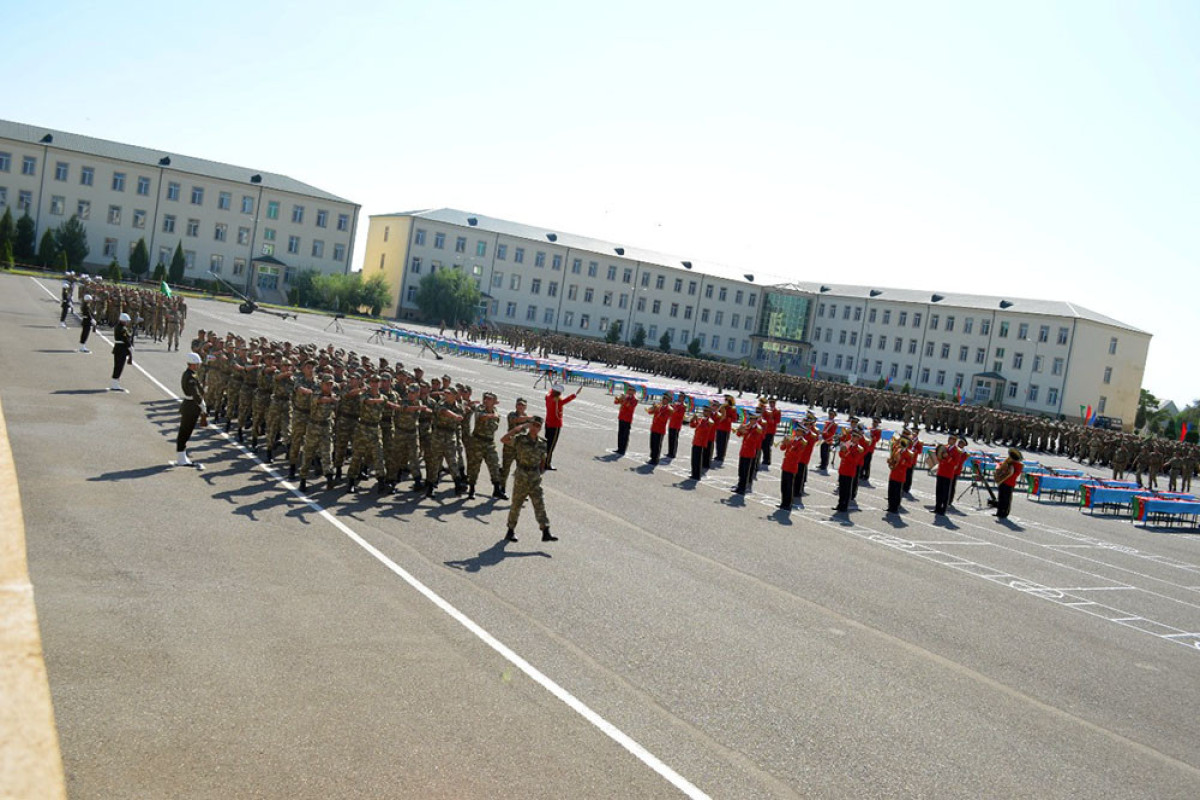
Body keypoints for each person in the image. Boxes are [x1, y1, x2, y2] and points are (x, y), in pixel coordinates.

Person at [501, 415, 556, 543]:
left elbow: (543, 460)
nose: (535, 428)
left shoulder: (543, 443)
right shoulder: (520, 439)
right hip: (522, 476)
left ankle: (545, 531)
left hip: (535, 477)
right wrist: (518, 428)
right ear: (530, 425)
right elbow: (504, 439)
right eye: (533, 425)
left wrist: (539, 473)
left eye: (538, 426)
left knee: (539, 504)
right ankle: (510, 530)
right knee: (516, 505)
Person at [175, 352, 206, 467]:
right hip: (191, 406)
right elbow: (194, 392)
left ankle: (182, 455)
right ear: (193, 364)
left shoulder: (191, 374)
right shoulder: (190, 376)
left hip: (190, 405)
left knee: (186, 431)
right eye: (197, 364)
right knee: (185, 431)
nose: (198, 366)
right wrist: (201, 403)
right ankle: (181, 457)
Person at [543, 382, 579, 470]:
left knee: (546, 444)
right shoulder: (557, 401)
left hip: (547, 423)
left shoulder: (548, 397)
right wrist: (575, 394)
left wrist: (553, 387)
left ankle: (543, 461)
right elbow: (565, 401)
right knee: (551, 445)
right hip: (555, 425)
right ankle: (547, 463)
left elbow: (549, 393)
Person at [833, 429, 864, 513]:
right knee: (841, 489)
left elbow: (854, 460)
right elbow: (840, 455)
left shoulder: (859, 449)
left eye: (855, 437)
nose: (853, 438)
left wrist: (846, 452)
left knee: (847, 490)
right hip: (843, 469)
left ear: (858, 438)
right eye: (853, 436)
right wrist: (842, 450)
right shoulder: (847, 443)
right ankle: (839, 504)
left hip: (849, 471)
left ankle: (844, 506)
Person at [932, 435, 964, 515]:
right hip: (941, 471)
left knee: (946, 492)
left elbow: (955, 463)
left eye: (952, 439)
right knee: (938, 490)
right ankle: (937, 507)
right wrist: (940, 455)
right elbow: (939, 457)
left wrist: (948, 457)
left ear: (955, 440)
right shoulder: (944, 447)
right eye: (949, 438)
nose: (949, 440)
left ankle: (943, 509)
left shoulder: (957, 450)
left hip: (948, 473)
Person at [885, 436, 917, 514]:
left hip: (900, 475)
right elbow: (893, 459)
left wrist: (902, 461)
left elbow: (910, 464)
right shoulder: (897, 450)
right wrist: (890, 461)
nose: (902, 443)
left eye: (905, 442)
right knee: (891, 491)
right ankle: (890, 506)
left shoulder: (909, 453)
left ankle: (895, 507)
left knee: (897, 492)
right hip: (893, 473)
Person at [733, 415, 763, 494]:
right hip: (743, 451)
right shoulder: (748, 426)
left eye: (753, 419)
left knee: (746, 471)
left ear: (756, 420)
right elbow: (738, 435)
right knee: (741, 470)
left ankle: (743, 488)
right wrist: (740, 429)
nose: (751, 420)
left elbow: (754, 439)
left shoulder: (758, 429)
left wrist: (745, 432)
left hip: (750, 452)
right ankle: (739, 486)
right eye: (750, 419)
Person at [992, 448, 1024, 519]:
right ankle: (999, 512)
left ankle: (1005, 513)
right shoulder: (1007, 462)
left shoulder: (1019, 465)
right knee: (1001, 497)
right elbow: (999, 465)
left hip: (1010, 483)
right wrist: (998, 468)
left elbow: (1015, 474)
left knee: (1007, 499)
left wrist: (1009, 469)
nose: (1010, 458)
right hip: (1002, 482)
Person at [646, 393, 672, 465]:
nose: (663, 400)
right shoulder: (659, 406)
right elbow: (650, 412)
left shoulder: (668, 409)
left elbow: (664, 419)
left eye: (665, 399)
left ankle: (655, 459)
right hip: (654, 427)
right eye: (663, 398)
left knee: (657, 445)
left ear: (668, 400)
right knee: (652, 443)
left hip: (660, 429)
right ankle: (652, 457)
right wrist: (653, 408)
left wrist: (658, 410)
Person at [110, 312, 134, 392]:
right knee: (119, 366)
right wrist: (130, 346)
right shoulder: (122, 329)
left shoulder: (118, 327)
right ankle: (115, 384)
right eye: (126, 321)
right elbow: (125, 339)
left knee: (117, 366)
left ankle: (114, 382)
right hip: (121, 349)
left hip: (118, 349)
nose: (127, 322)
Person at [613, 385, 639, 455]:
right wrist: (618, 398)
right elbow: (615, 402)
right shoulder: (625, 396)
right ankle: (619, 448)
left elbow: (630, 407)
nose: (629, 391)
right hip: (621, 417)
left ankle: (623, 449)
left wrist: (624, 400)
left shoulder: (635, 400)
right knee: (620, 433)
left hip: (627, 418)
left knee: (625, 434)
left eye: (631, 390)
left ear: (634, 392)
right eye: (628, 389)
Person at [714, 395, 737, 462]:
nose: (726, 401)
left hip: (726, 428)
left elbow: (734, 419)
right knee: (718, 441)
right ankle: (718, 454)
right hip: (719, 426)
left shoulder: (732, 408)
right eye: (725, 399)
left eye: (727, 400)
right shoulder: (722, 407)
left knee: (723, 443)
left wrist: (726, 418)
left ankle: (721, 456)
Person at [759, 397, 781, 468]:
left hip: (771, 431)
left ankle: (767, 459)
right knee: (762, 445)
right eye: (770, 402)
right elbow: (762, 417)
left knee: (767, 445)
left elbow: (777, 421)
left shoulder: (777, 411)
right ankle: (762, 458)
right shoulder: (766, 410)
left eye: (773, 403)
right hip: (764, 429)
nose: (771, 404)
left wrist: (771, 417)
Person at [666, 393, 688, 459]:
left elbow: (680, 415)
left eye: (681, 397)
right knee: (670, 438)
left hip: (676, 424)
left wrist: (673, 411)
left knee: (674, 439)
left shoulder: (683, 405)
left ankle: (673, 453)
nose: (679, 397)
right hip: (672, 423)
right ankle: (670, 452)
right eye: (679, 396)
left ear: (683, 398)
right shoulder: (676, 404)